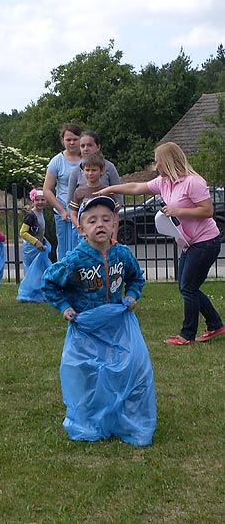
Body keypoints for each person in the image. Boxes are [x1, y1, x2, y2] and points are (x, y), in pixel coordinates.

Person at [41, 196, 155, 446]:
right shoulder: (75, 260)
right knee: (89, 372)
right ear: (81, 229)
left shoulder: (122, 254)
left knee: (132, 366)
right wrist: (64, 307)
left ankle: (124, 416)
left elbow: (136, 278)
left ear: (115, 223)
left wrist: (132, 295)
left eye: (106, 219)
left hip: (117, 324)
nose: (100, 225)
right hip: (87, 328)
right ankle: (91, 417)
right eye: (92, 221)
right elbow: (49, 283)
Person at [100, 141, 224, 345]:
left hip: (205, 242)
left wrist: (178, 211)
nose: (156, 166)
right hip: (189, 243)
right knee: (187, 287)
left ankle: (187, 335)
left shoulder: (193, 182)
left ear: (169, 161)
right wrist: (110, 188)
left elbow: (207, 211)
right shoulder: (164, 182)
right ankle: (215, 324)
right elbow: (136, 186)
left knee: (188, 287)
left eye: (158, 162)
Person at [42, 123, 82, 260]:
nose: (72, 143)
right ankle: (63, 279)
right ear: (62, 141)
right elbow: (47, 189)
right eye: (68, 139)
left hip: (85, 213)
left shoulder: (88, 160)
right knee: (65, 250)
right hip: (64, 215)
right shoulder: (57, 161)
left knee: (82, 248)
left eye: (75, 139)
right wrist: (62, 211)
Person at [68, 153, 120, 229]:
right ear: (83, 171)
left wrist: (114, 235)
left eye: (94, 170)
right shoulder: (79, 192)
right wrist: (80, 228)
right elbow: (73, 213)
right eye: (87, 170)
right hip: (85, 235)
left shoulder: (108, 191)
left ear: (102, 171)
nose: (90, 173)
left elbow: (115, 213)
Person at [17, 188, 51, 303]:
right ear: (33, 201)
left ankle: (38, 292)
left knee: (39, 271)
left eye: (43, 199)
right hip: (31, 248)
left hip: (39, 246)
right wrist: (36, 242)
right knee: (32, 271)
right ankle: (29, 293)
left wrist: (43, 239)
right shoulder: (31, 216)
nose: (40, 202)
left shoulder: (40, 214)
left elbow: (38, 231)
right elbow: (23, 232)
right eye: (37, 200)